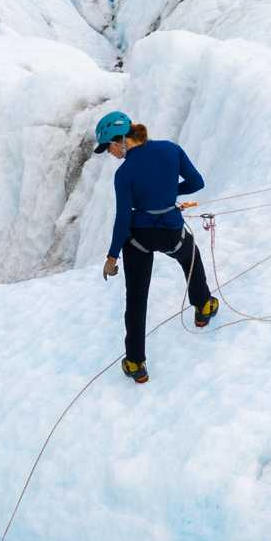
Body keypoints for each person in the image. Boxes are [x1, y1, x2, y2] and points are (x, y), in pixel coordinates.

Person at [95, 110, 219, 384]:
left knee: (136, 299)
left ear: (120, 141)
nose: (111, 154)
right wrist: (170, 192)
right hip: (171, 231)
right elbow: (197, 183)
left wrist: (112, 256)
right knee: (191, 258)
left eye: (109, 148)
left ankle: (135, 362)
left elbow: (123, 218)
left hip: (138, 239)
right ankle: (204, 308)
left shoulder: (124, 173)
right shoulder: (170, 150)